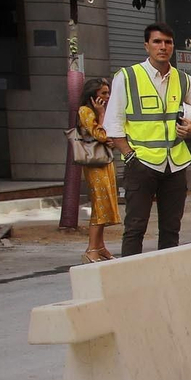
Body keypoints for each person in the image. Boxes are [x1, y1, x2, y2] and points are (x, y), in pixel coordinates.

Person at [106, 22, 191, 256]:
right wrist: (129, 156)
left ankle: (167, 273)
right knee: (135, 228)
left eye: (168, 42)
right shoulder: (127, 77)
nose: (163, 47)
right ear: (147, 46)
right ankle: (131, 274)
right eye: (157, 42)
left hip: (175, 164)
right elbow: (113, 123)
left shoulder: (183, 80)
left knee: (171, 229)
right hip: (141, 163)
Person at [76, 78, 118, 263]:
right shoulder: (85, 111)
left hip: (105, 162)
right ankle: (92, 248)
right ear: (93, 95)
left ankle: (100, 246)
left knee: (106, 204)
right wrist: (101, 114)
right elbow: (100, 135)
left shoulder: (99, 111)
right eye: (103, 93)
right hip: (94, 165)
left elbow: (109, 137)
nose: (107, 97)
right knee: (99, 205)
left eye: (108, 93)